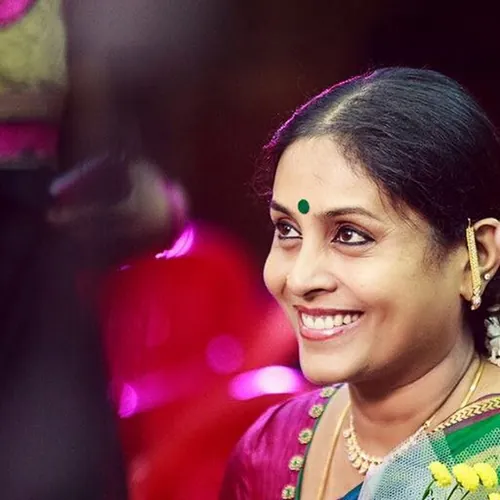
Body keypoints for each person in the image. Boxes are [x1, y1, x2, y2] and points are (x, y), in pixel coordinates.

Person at [219, 67, 500, 500]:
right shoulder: (269, 450)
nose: (300, 278)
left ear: (475, 256)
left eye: (350, 235)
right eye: (287, 230)